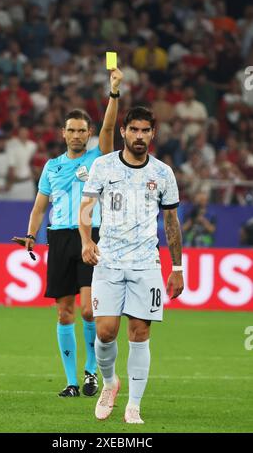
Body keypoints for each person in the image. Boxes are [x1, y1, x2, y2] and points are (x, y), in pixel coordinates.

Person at [12, 68, 123, 397]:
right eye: (71, 130)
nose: (77, 135)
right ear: (63, 133)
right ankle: (72, 382)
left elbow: (109, 127)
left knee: (89, 309)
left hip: (91, 235)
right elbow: (38, 207)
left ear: (89, 133)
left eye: (82, 130)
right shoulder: (51, 166)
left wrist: (113, 93)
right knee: (64, 311)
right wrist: (31, 234)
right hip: (58, 238)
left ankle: (91, 372)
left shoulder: (99, 158)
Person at [79, 106, 184, 424]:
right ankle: (110, 383)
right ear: (123, 131)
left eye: (146, 130)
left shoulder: (163, 173)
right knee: (106, 331)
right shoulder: (103, 165)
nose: (140, 136)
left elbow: (171, 221)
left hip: (146, 265)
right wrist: (86, 240)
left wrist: (177, 268)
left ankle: (134, 406)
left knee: (140, 333)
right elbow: (86, 208)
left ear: (154, 134)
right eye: (134, 130)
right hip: (108, 261)